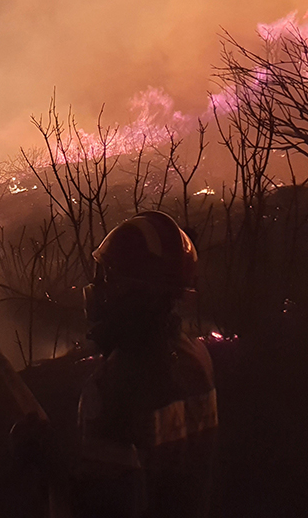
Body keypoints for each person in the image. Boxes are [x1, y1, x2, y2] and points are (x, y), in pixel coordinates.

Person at [72, 211, 218, 517]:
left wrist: (47, 466)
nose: (98, 289)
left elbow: (103, 505)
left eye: (108, 277)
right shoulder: (198, 359)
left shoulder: (111, 387)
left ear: (135, 290)